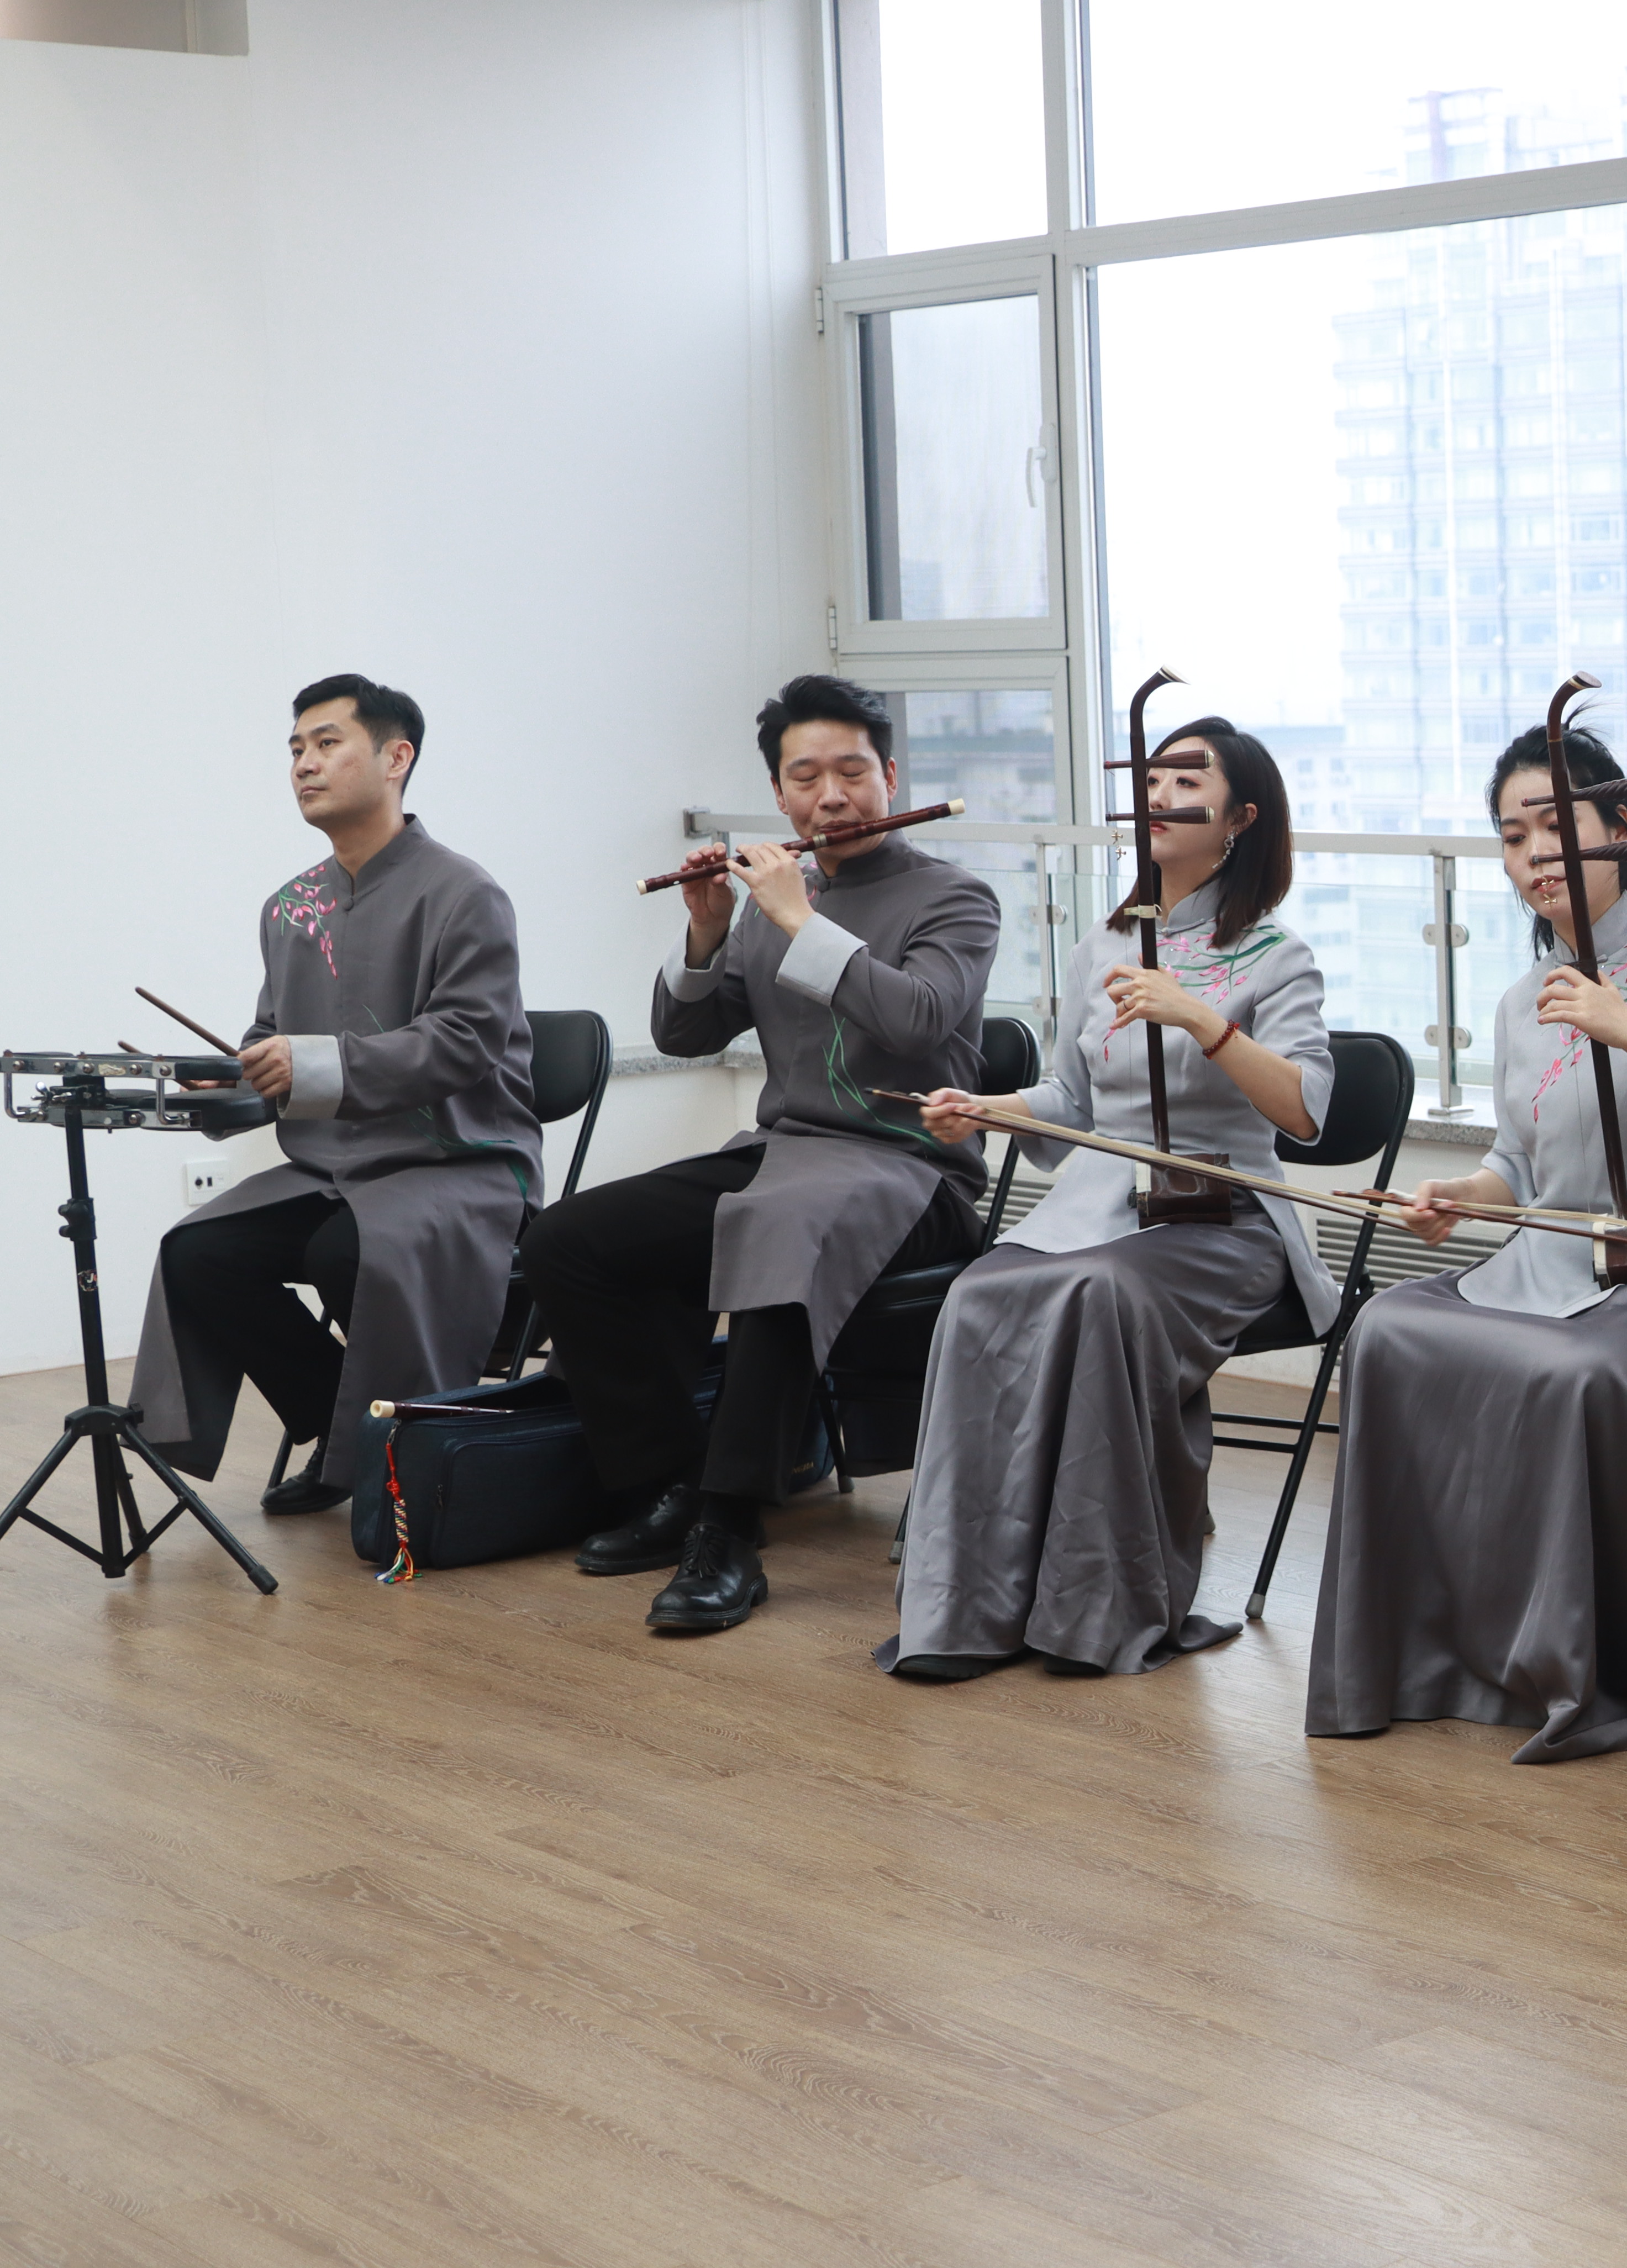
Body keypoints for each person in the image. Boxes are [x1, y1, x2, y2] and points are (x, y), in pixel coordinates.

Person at [1304, 722, 1627, 1761]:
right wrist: (1460, 1199)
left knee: (1569, 1373)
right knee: (1386, 1327)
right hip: (1544, 1266)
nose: (1533, 856)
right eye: (1513, 837)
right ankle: (1426, 1655)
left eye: (1555, 827)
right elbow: (1517, 1168)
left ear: (1619, 827)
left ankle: (1573, 1668)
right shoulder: (1523, 1002)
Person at [518, 673, 996, 1634]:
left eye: (853, 773)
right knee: (569, 1240)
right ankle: (673, 1483)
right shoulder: (777, 900)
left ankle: (729, 1530)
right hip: (786, 1153)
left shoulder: (956, 897)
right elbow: (687, 1035)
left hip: (910, 1170)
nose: (833, 798)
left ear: (892, 776)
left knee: (780, 1233)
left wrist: (796, 919)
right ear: (779, 794)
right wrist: (705, 930)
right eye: (806, 778)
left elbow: (916, 1020)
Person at [880, 718, 1338, 1678]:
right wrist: (990, 1109)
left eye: (1188, 782)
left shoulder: (1276, 956)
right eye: (1152, 779)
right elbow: (1075, 1102)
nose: (1159, 797)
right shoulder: (1106, 944)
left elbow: (1304, 1112)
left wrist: (1205, 1021)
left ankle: (1093, 1608)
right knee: (977, 1295)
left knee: (1101, 1297)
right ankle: (966, 1608)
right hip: (1097, 1209)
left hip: (1223, 1217)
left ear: (1242, 819)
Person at [136, 678, 539, 1514]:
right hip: (330, 1168)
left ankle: (410, 1450)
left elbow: (464, 1040)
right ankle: (343, 1429)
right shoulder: (290, 907)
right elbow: (270, 1037)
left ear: (397, 758)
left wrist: (309, 1064)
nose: (304, 764)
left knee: (342, 1252)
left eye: (327, 744)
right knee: (197, 1253)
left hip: (456, 1162)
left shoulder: (465, 893)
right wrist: (234, 1075)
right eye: (295, 749)